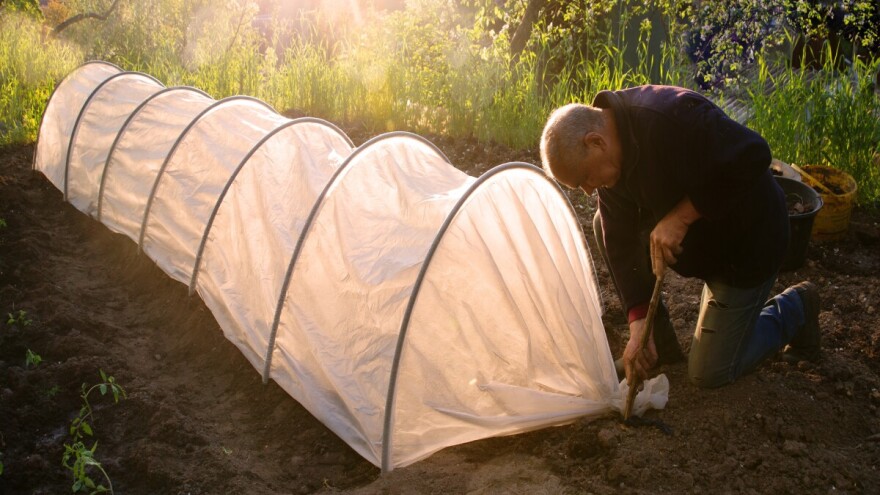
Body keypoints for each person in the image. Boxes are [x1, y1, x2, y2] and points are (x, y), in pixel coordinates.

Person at [539, 85, 821, 389]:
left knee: (710, 371)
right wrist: (637, 322)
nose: (589, 190)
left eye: (584, 179)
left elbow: (753, 155)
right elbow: (619, 241)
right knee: (602, 223)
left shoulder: (669, 117)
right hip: (703, 243)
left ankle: (797, 308)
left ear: (595, 142)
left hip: (747, 244)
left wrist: (682, 215)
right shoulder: (612, 167)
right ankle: (657, 343)